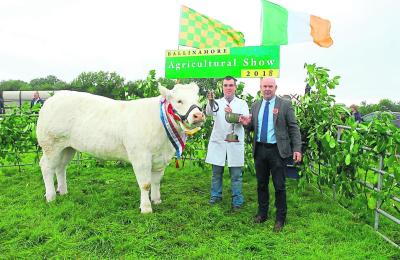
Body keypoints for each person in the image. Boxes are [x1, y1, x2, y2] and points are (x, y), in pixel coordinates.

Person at [240, 77, 302, 232]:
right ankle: (262, 214)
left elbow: (293, 127)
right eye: (264, 86)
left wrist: (297, 149)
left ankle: (280, 218)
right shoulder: (255, 106)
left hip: (277, 151)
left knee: (279, 185)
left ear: (276, 87)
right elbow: (252, 127)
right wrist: (246, 125)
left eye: (270, 86)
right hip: (259, 150)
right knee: (261, 184)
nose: (267, 89)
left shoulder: (285, 105)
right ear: (260, 88)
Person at [205, 76, 249, 211]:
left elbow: (246, 121)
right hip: (218, 142)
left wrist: (233, 114)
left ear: (235, 87)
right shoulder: (217, 102)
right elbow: (209, 112)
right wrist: (210, 101)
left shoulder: (242, 103)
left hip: (234, 143)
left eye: (231, 85)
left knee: (236, 175)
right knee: (216, 173)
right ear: (222, 87)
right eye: (225, 85)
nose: (228, 88)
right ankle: (215, 197)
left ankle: (237, 201)